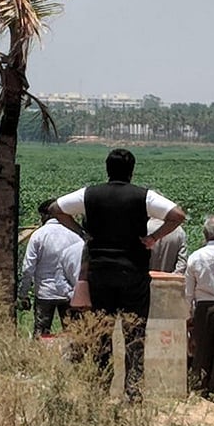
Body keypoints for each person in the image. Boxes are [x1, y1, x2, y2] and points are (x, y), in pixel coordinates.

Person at [50, 148, 186, 401]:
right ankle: (133, 391)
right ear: (131, 171)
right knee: (135, 331)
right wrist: (154, 237)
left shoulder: (89, 194)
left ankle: (101, 389)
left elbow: (56, 208)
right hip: (133, 271)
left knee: (102, 330)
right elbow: (177, 215)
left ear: (107, 169)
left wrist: (82, 232)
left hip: (100, 271)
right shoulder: (143, 196)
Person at [18, 199, 83, 338]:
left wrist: (23, 293)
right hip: (70, 293)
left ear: (45, 215)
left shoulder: (39, 235)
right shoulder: (75, 234)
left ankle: (41, 352)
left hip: (45, 293)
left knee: (41, 334)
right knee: (74, 334)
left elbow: (28, 268)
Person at [184, 215, 214, 398]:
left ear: (205, 233)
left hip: (204, 307)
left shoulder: (196, 256)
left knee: (202, 350)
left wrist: (188, 315)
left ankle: (199, 390)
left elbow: (188, 292)